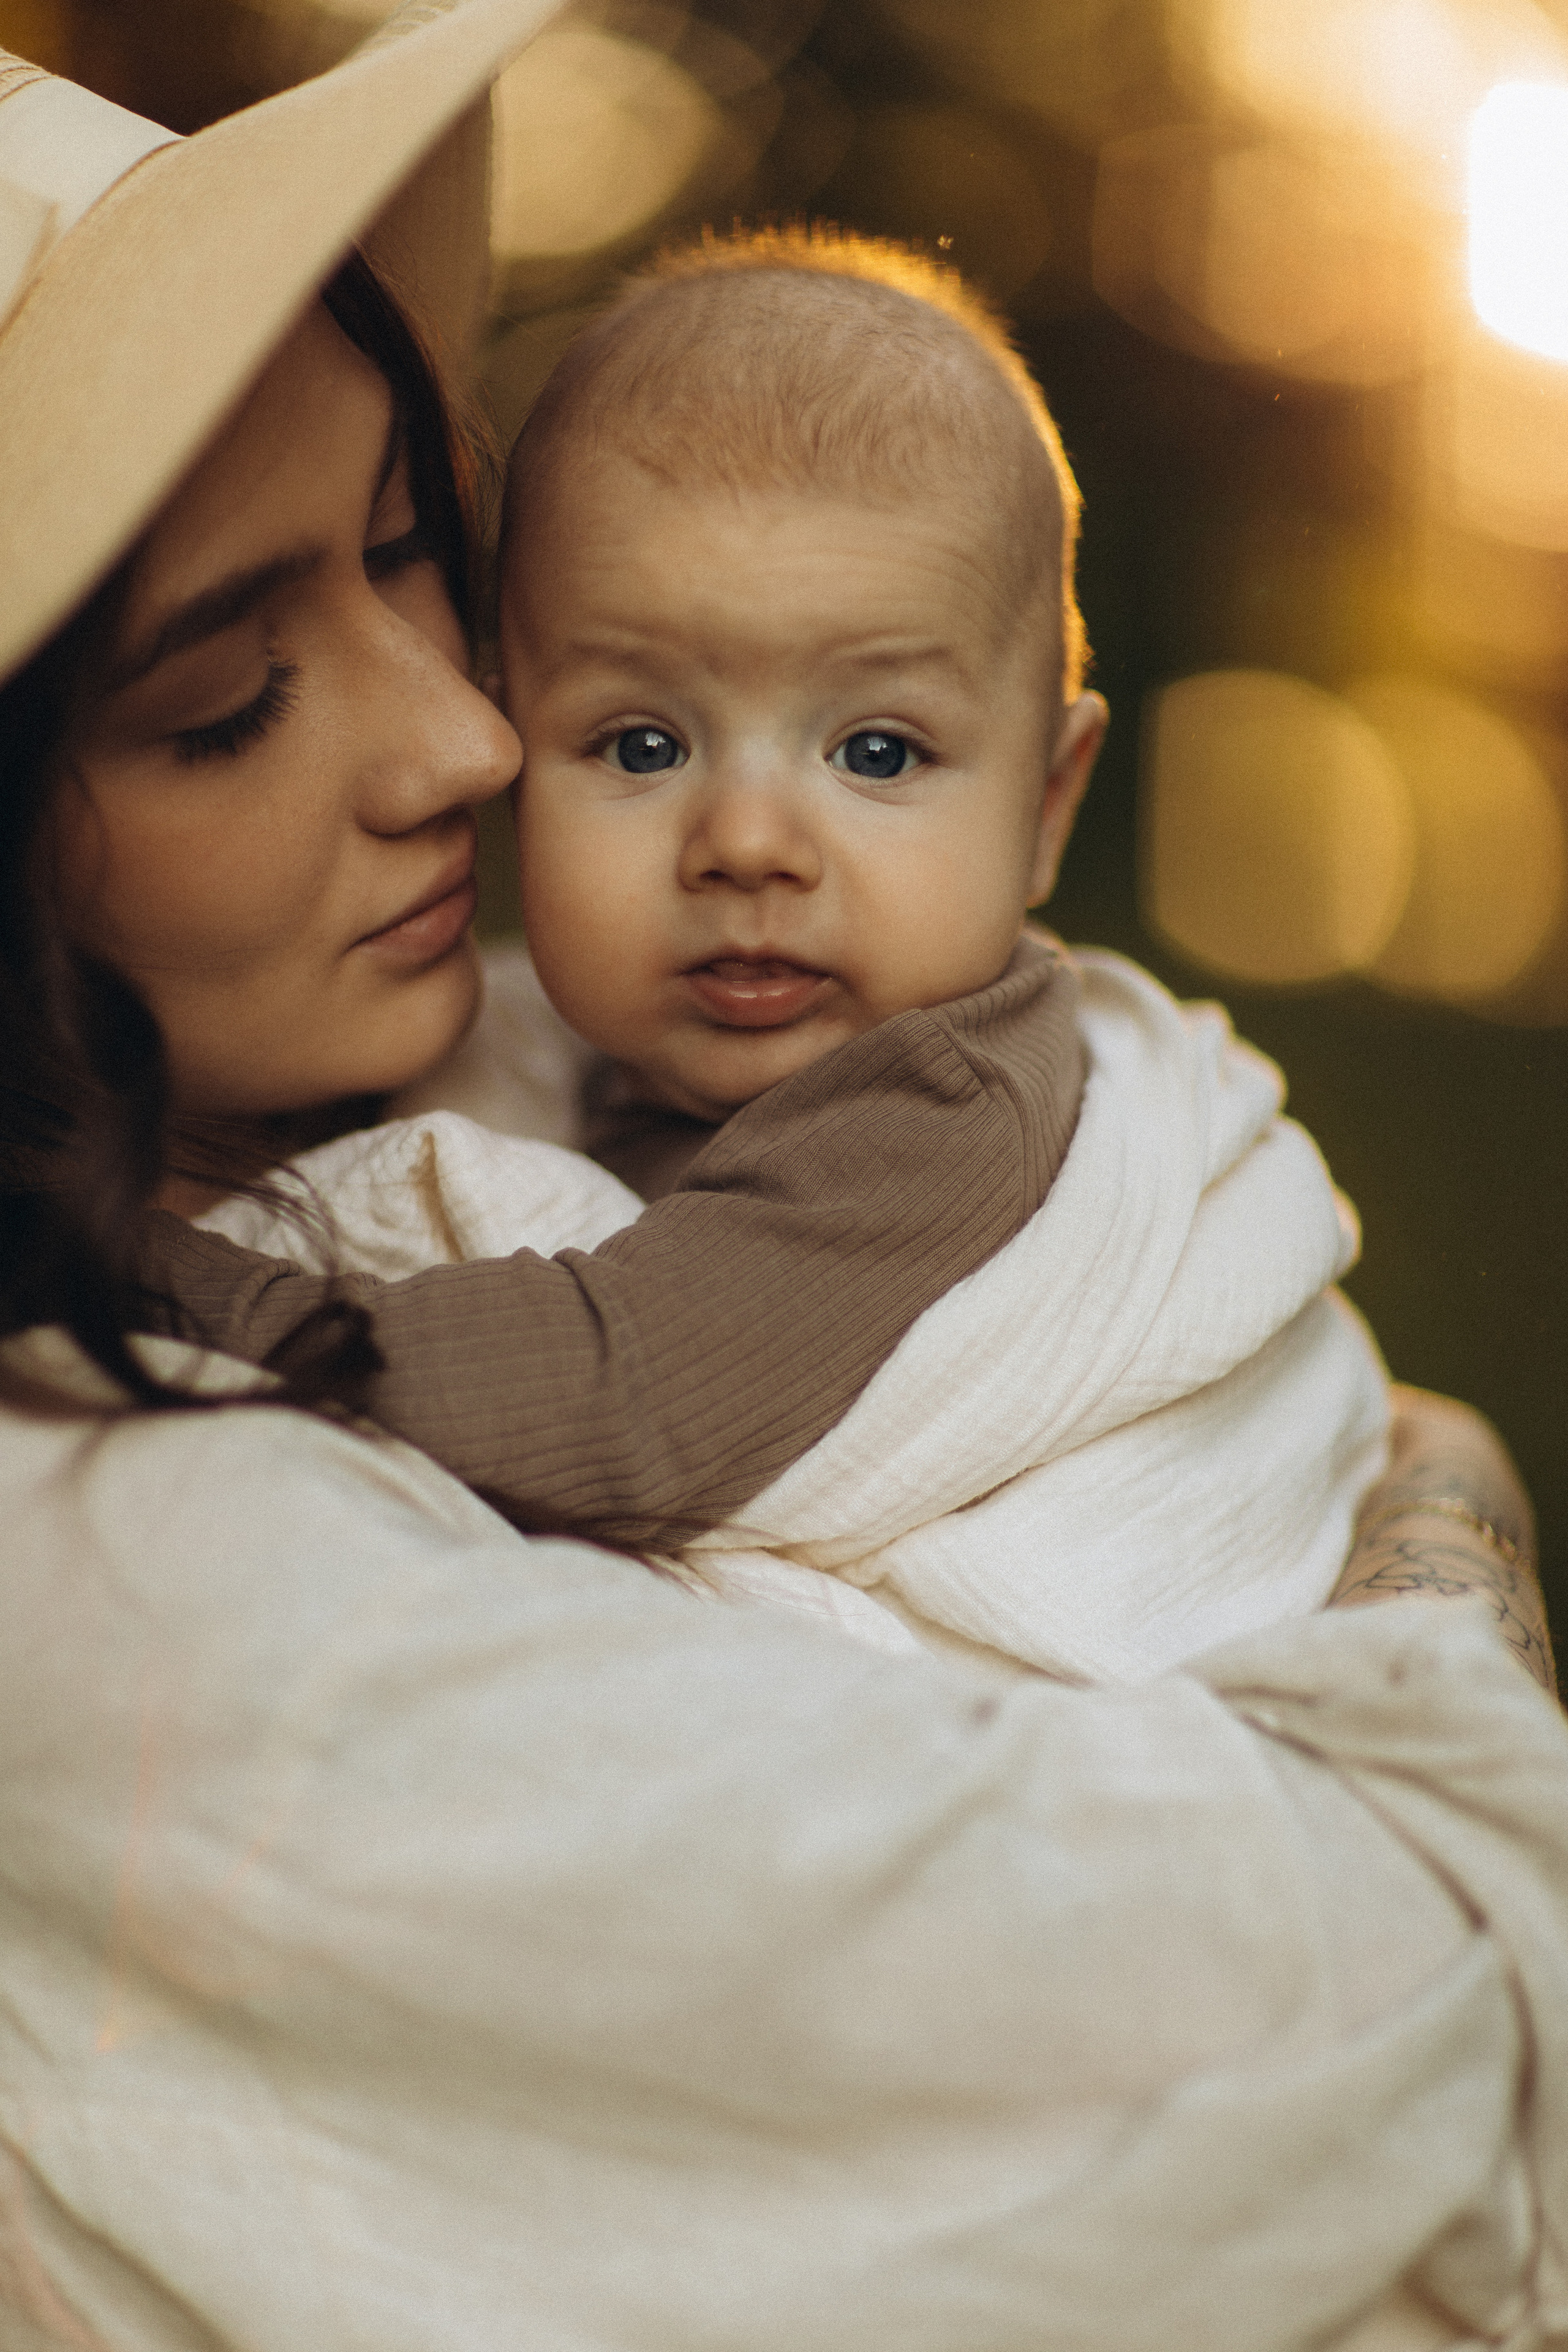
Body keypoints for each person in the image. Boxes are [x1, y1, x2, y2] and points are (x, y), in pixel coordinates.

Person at [1, 13, 1565, 2348]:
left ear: (1054, 800)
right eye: (230, 698)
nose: (464, 740)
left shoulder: (790, 1094)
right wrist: (1447, 1524)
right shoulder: (124, 1551)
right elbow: (1416, 2000)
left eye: (412, 563)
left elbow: (644, 1382)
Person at [174, 231, 1389, 1687]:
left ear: (1046, 806)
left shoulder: (940, 1105)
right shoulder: (531, 1046)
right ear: (510, 746)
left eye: (876, 751)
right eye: (641, 744)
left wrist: (167, 1288)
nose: (747, 841)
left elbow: (612, 1400)